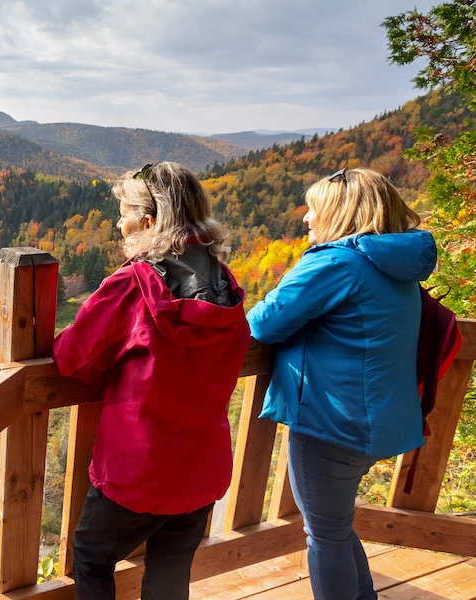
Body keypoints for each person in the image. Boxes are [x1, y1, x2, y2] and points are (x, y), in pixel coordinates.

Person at [53, 161, 251, 600]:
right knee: (170, 570)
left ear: (148, 222)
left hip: (140, 468)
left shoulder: (133, 286)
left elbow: (72, 358)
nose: (116, 222)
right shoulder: (225, 286)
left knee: (91, 554)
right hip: (202, 464)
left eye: (123, 212)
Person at [247, 167, 434, 600]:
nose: (306, 218)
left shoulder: (336, 262)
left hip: (334, 423)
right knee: (333, 526)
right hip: (382, 420)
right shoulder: (391, 264)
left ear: (339, 213)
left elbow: (262, 323)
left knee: (324, 537)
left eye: (313, 209)